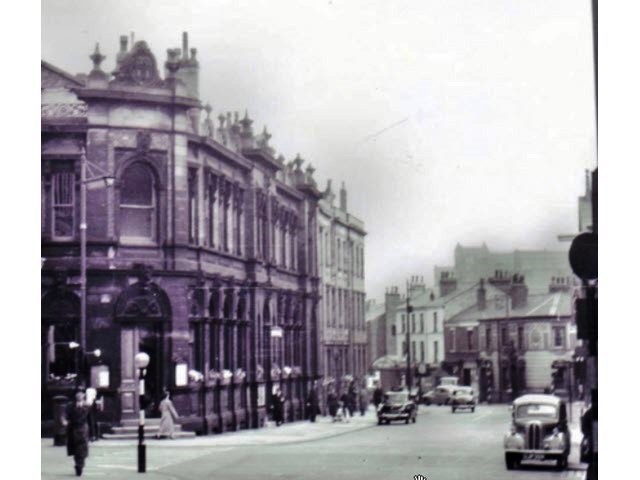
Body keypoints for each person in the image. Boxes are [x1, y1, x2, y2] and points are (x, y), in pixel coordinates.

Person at [66, 390, 91, 476]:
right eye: (78, 394)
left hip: (83, 429)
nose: (79, 395)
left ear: (83, 395)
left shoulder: (87, 406)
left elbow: (91, 420)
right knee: (76, 449)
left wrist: (93, 435)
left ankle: (80, 465)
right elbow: (66, 416)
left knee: (82, 449)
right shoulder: (70, 406)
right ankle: (78, 464)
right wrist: (65, 421)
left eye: (81, 394)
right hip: (73, 429)